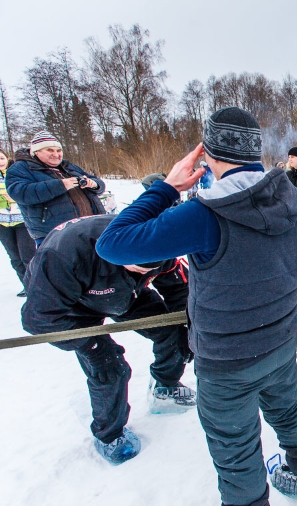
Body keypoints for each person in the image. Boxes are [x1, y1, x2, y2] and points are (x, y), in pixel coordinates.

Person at [96, 107, 297, 506]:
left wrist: (166, 188)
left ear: (207, 153)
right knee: (287, 409)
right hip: (279, 341)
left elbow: (112, 243)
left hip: (226, 359)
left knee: (236, 452)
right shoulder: (293, 198)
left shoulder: (205, 214)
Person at [22, 215, 195, 464]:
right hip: (74, 305)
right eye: (140, 268)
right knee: (109, 367)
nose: (147, 272)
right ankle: (109, 435)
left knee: (174, 333)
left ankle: (165, 386)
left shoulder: (159, 242)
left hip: (126, 292)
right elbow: (38, 319)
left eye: (150, 270)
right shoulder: (62, 258)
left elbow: (178, 288)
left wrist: (185, 322)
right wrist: (92, 346)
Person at [6, 131, 106, 246]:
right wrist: (60, 185)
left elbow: (99, 183)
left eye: (59, 150)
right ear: (36, 152)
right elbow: (21, 193)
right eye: (50, 150)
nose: (56, 154)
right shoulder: (20, 168)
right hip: (53, 233)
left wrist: (94, 184)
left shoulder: (67, 166)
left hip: (90, 227)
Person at [0, 148, 36, 296]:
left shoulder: (17, 173)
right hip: (3, 223)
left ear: (7, 158)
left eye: (1, 158)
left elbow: (28, 192)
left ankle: (38, 285)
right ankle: (27, 286)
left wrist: (14, 197)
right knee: (14, 257)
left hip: (22, 220)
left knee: (27, 256)